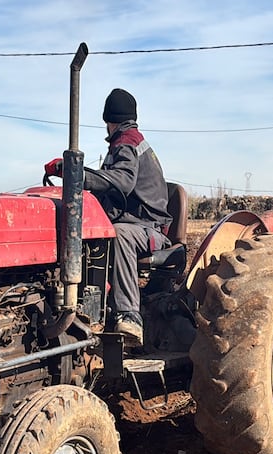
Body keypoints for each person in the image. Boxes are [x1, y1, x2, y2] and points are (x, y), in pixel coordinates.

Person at [45, 88, 170, 347]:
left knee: (119, 233)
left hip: (149, 228)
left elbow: (122, 181)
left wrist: (75, 172)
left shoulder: (127, 142)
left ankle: (129, 315)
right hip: (135, 222)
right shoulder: (126, 142)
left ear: (109, 120)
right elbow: (110, 187)